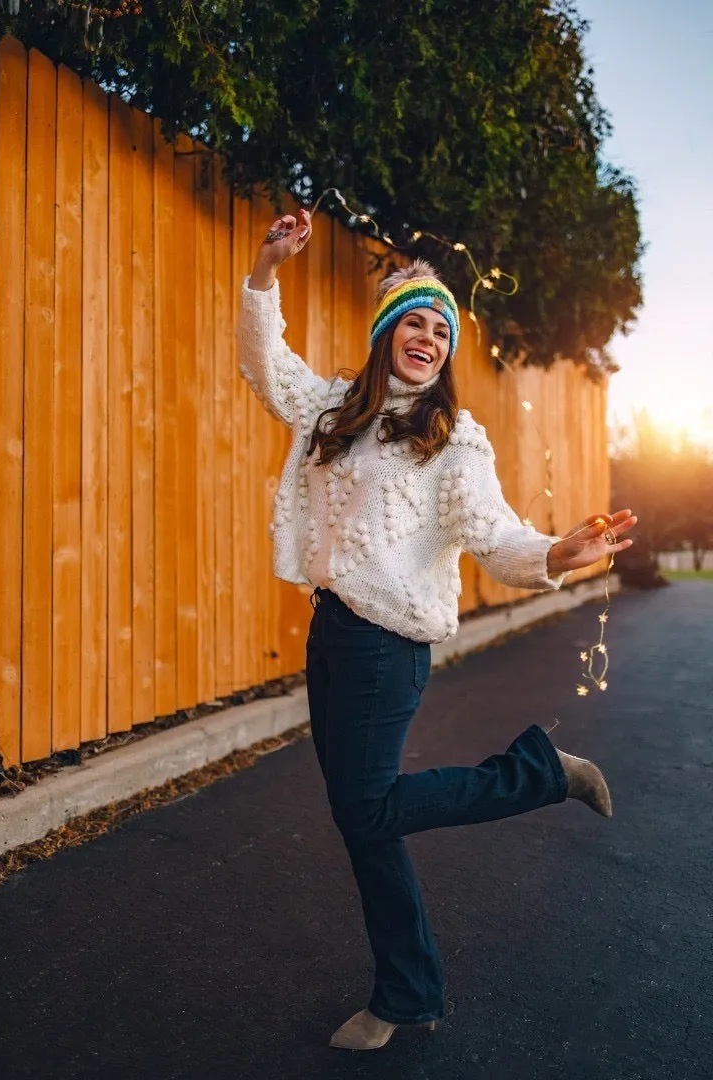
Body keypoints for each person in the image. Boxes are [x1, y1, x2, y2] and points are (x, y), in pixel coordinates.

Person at [237, 208, 637, 1051]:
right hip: (333, 634)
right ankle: (407, 991)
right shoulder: (333, 410)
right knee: (363, 818)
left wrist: (559, 551)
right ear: (387, 334)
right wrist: (266, 272)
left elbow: (493, 534)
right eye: (412, 322)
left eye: (439, 330)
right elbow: (264, 364)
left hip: (391, 647)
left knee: (370, 807)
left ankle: (540, 774)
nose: (427, 337)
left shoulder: (453, 441)